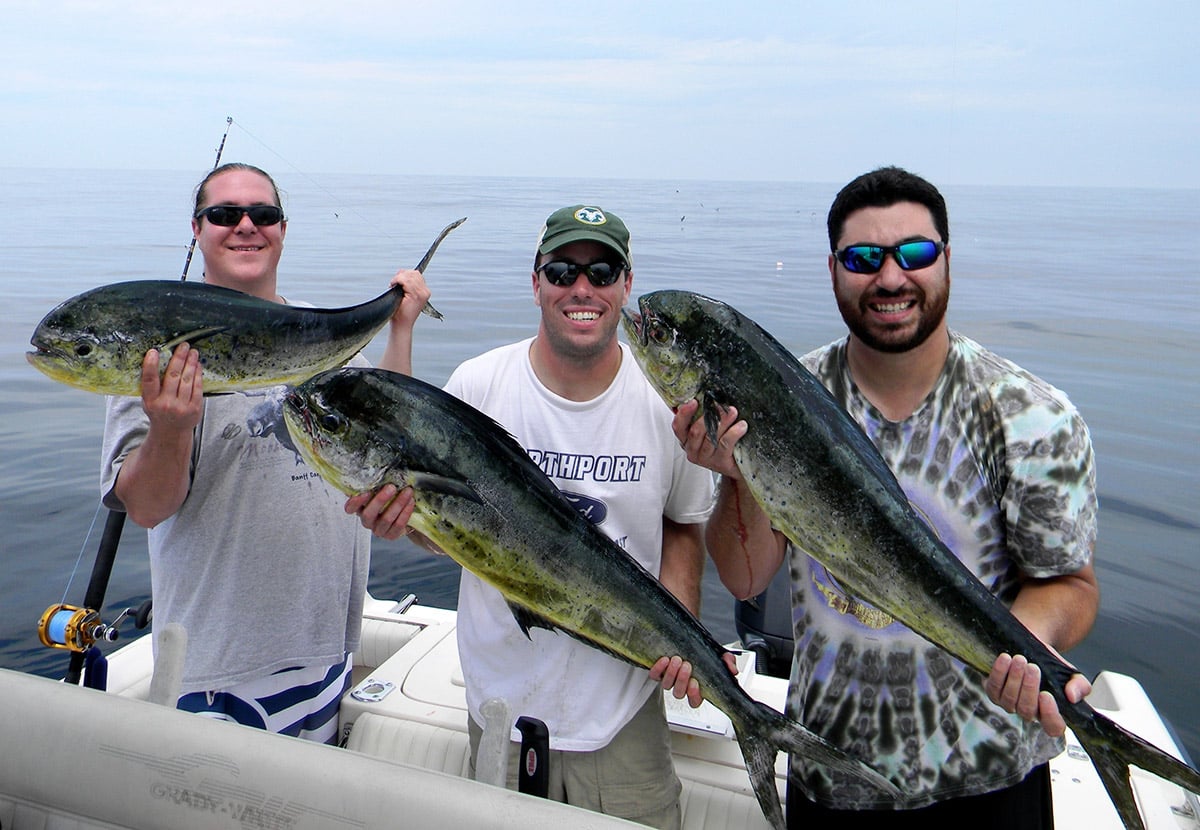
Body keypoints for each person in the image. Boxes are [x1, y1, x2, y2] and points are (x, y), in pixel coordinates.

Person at [672, 166, 1099, 828]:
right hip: (833, 776)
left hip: (991, 780)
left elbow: (1070, 583)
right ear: (834, 269)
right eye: (864, 258)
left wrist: (1027, 642)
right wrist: (737, 475)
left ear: (947, 261)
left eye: (916, 254)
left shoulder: (1032, 415)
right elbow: (747, 576)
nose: (892, 277)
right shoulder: (780, 396)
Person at [349, 204, 719, 828]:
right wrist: (404, 522)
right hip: (500, 714)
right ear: (536, 282)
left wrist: (679, 627)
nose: (583, 288)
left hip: (624, 722)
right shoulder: (479, 385)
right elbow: (450, 532)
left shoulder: (666, 403)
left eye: (602, 272)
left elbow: (683, 526)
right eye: (562, 271)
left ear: (627, 286)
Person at [100, 162, 430, 743]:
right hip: (214, 672)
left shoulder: (320, 335)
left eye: (264, 214)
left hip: (326, 654)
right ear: (196, 229)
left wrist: (400, 330)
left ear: (283, 228)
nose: (246, 226)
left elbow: (385, 441)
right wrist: (171, 429)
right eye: (225, 214)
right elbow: (146, 508)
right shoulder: (159, 352)